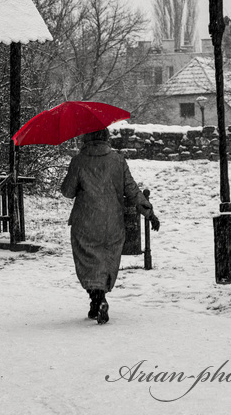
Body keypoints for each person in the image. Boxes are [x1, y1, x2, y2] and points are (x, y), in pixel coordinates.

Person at [61, 128, 160, 324]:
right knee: (106, 261)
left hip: (86, 221)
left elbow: (67, 192)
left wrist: (75, 176)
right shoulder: (118, 160)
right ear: (107, 137)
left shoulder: (79, 161)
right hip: (113, 222)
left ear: (86, 137)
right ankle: (98, 300)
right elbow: (132, 190)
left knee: (88, 262)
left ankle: (97, 299)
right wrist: (149, 212)